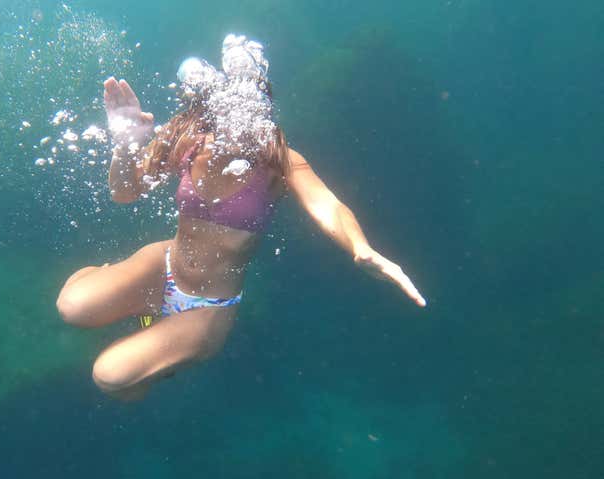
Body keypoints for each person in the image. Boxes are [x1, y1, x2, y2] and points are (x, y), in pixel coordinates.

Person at [56, 35, 425, 401]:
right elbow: (125, 192)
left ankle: (157, 339)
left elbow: (328, 206)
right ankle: (141, 307)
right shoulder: (188, 141)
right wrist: (125, 145)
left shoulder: (279, 159)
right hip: (163, 266)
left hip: (208, 307)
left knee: (113, 380)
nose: (235, 133)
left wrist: (360, 248)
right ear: (211, 112)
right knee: (71, 306)